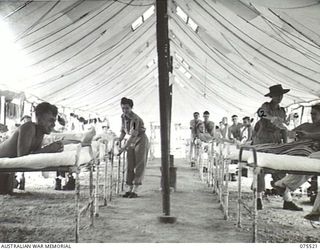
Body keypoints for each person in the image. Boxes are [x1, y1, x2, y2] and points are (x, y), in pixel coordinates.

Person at [0, 102, 64, 194]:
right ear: (39, 119)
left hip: (5, 172)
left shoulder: (40, 133)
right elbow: (22, 157)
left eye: (54, 121)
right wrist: (48, 149)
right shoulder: (29, 127)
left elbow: (34, 155)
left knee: (6, 190)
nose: (53, 125)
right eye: (51, 120)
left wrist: (52, 149)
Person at [252, 84, 290, 210]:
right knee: (260, 170)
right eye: (277, 95)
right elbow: (260, 113)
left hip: (276, 142)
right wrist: (271, 118)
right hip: (262, 142)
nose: (279, 97)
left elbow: (283, 129)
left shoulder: (282, 111)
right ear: (272, 96)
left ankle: (287, 200)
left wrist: (285, 144)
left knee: (280, 170)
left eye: (281, 95)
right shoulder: (266, 106)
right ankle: (258, 198)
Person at [117, 97, 149, 198]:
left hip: (140, 139)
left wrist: (123, 148)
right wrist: (119, 140)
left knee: (139, 163)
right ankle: (129, 188)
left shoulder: (135, 119)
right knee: (130, 163)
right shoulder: (123, 117)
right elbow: (123, 131)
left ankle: (135, 189)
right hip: (131, 140)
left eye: (127, 108)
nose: (125, 110)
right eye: (123, 108)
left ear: (131, 108)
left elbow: (133, 135)